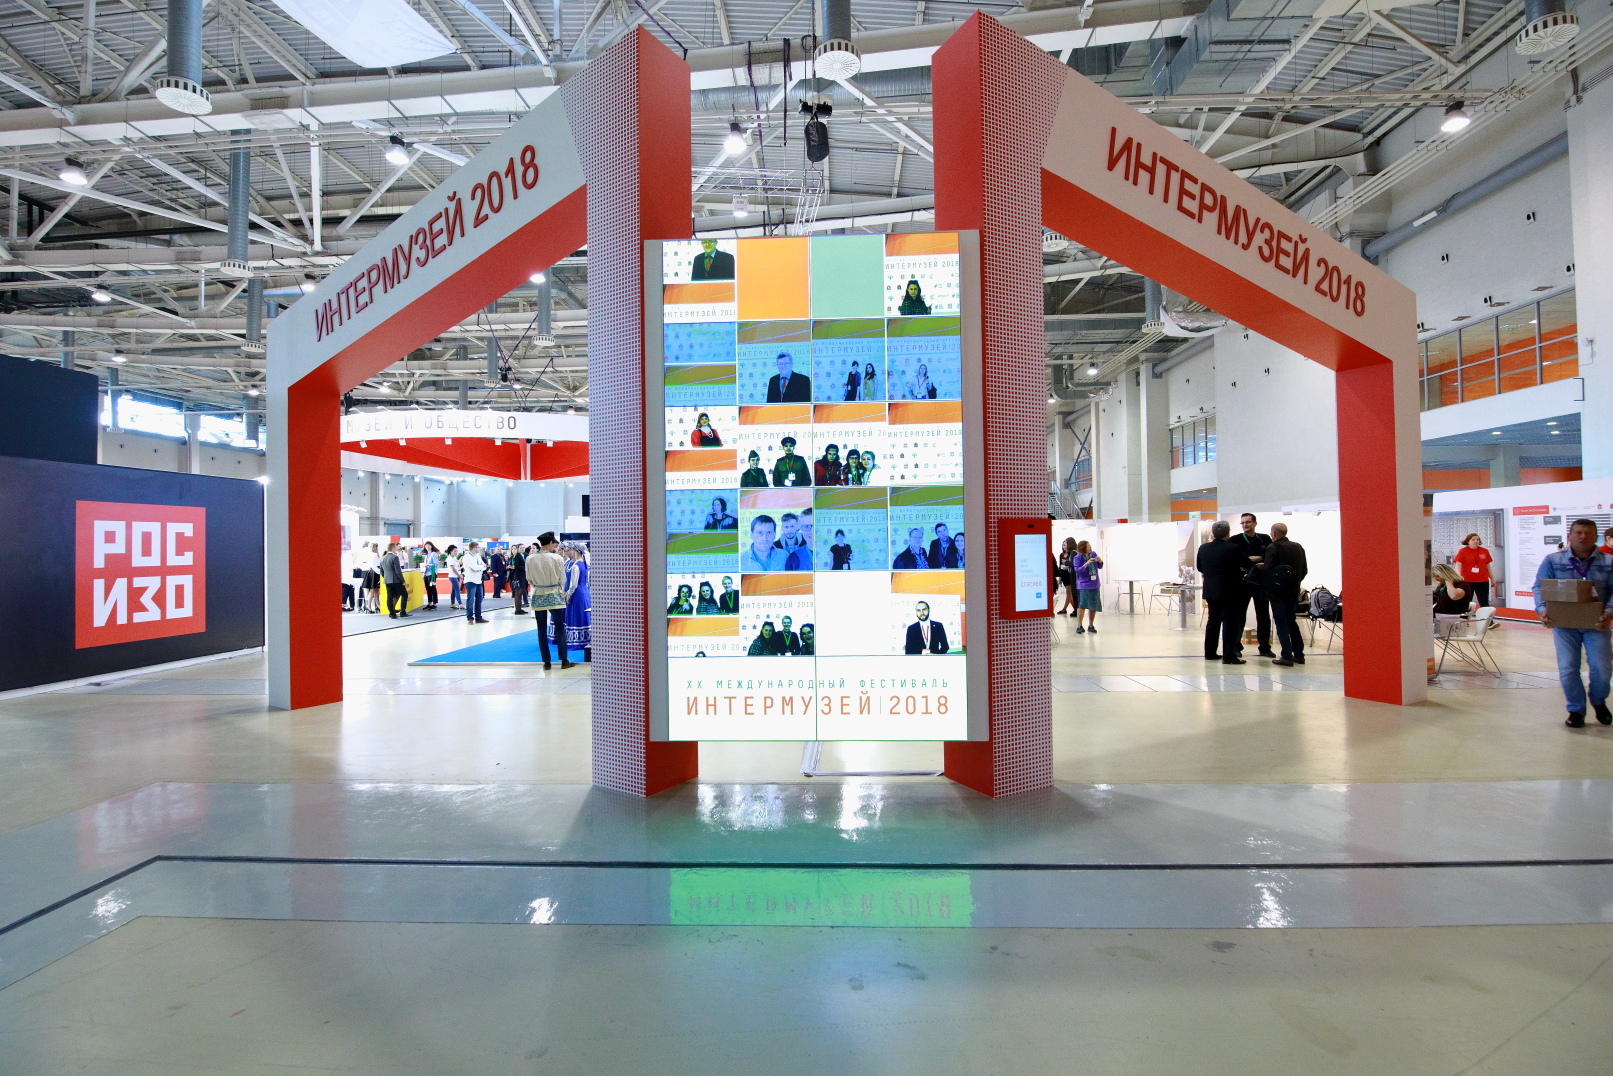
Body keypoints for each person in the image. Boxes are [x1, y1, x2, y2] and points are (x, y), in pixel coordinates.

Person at [1533, 518, 1613, 728]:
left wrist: (1609, 612)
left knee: (1602, 668)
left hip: (1596, 623)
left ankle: (1598, 701)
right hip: (1564, 624)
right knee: (1568, 668)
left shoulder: (1608, 562)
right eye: (1578, 532)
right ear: (1569, 536)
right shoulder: (1553, 560)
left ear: (1596, 537)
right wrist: (1542, 610)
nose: (1583, 536)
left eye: (1588, 533)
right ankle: (1576, 709)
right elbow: (1539, 587)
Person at [1197, 520, 1251, 664]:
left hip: (1211, 590)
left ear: (1213, 533)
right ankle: (1229, 655)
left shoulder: (1203, 548)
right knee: (1229, 622)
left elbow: (1200, 567)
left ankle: (1210, 652)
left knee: (1213, 621)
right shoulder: (1233, 548)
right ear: (1228, 533)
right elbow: (1246, 564)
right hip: (1230, 590)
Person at [1263, 522, 1308, 666]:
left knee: (1281, 622)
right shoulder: (1298, 547)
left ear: (1273, 534)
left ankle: (1286, 655)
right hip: (1293, 591)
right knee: (1291, 621)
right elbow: (1304, 570)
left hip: (1277, 593)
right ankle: (1299, 654)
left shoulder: (1272, 547)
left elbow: (1268, 568)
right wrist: (1295, 582)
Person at [523, 533, 572, 670]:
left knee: (541, 629)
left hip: (538, 593)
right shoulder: (557, 558)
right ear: (550, 543)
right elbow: (562, 578)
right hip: (555, 593)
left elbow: (529, 578)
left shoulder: (530, 559)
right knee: (560, 628)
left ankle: (546, 662)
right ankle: (564, 660)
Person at [1232, 513, 1275, 658]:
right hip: (1242, 583)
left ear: (1255, 523)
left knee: (1263, 616)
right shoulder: (1235, 540)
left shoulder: (1264, 539)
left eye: (1248, 522)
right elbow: (1232, 561)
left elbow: (1270, 557)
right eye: (1243, 523)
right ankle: (1235, 646)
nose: (1245, 525)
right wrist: (1248, 560)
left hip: (1260, 583)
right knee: (1239, 615)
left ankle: (1265, 647)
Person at [553, 541, 591, 663]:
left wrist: (568, 595)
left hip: (577, 594)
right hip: (585, 593)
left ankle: (576, 641)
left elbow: (573, 584)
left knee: (575, 616)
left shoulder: (575, 565)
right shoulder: (585, 563)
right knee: (583, 616)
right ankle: (585, 640)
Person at [1452, 532, 1496, 609]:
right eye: (1473, 539)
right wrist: (1459, 577)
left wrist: (1492, 579)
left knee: (1484, 602)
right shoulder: (1463, 551)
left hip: (1482, 580)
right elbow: (1458, 565)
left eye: (1477, 539)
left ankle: (1487, 616)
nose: (1476, 541)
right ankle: (1466, 616)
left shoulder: (1484, 551)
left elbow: (1488, 566)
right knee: (1467, 601)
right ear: (1468, 541)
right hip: (1467, 580)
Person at [1072, 540, 1102, 633]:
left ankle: (1091, 625)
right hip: (1084, 585)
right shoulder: (1077, 557)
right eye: (1088, 546)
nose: (1090, 547)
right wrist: (1086, 563)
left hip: (1094, 584)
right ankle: (1079, 625)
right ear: (1083, 548)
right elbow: (1078, 570)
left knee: (1093, 605)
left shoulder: (1093, 554)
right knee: (1082, 605)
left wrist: (1100, 561)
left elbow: (1100, 566)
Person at [460, 542, 488, 623]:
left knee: (480, 599)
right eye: (478, 547)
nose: (479, 549)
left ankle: (478, 617)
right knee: (470, 600)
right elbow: (474, 568)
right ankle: (470, 618)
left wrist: (480, 568)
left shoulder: (478, 556)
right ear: (474, 548)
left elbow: (484, 565)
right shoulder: (467, 557)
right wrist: (480, 567)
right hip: (470, 581)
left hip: (478, 580)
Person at [380, 542, 409, 619]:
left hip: (387, 581)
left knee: (389, 597)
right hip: (396, 580)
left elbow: (381, 571)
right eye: (395, 548)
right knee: (404, 594)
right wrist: (403, 581)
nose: (396, 549)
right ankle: (403, 612)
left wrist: (386, 577)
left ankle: (392, 613)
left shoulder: (382, 558)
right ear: (393, 548)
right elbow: (398, 571)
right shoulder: (395, 557)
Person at [1056, 537, 1079, 615]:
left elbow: (1073, 564)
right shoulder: (1061, 555)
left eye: (1065, 545)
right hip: (1064, 575)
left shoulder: (1072, 554)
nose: (1064, 547)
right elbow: (1060, 566)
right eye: (1063, 545)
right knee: (1069, 594)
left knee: (1069, 593)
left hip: (1069, 575)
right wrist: (1060, 577)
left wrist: (1067, 565)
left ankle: (1064, 609)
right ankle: (1076, 609)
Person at [508, 541, 529, 615]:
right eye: (521, 548)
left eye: (523, 547)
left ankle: (519, 608)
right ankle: (518, 609)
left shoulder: (524, 555)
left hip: (523, 576)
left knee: (521, 592)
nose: (522, 549)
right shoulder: (517, 556)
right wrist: (525, 567)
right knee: (518, 593)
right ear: (518, 549)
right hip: (518, 577)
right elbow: (516, 566)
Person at [421, 541, 440, 610]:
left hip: (432, 573)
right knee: (428, 588)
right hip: (426, 573)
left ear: (431, 546)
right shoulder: (426, 555)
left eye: (429, 545)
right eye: (426, 545)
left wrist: (429, 565)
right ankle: (429, 603)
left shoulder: (433, 554)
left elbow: (436, 563)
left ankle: (434, 603)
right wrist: (423, 574)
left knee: (432, 587)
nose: (427, 547)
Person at [444, 543, 462, 609]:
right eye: (455, 551)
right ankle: (460, 603)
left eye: (457, 551)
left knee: (454, 590)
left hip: (456, 576)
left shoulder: (454, 558)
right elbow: (453, 568)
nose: (456, 553)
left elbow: (457, 567)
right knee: (457, 589)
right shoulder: (450, 558)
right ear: (451, 551)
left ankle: (452, 604)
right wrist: (459, 575)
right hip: (453, 576)